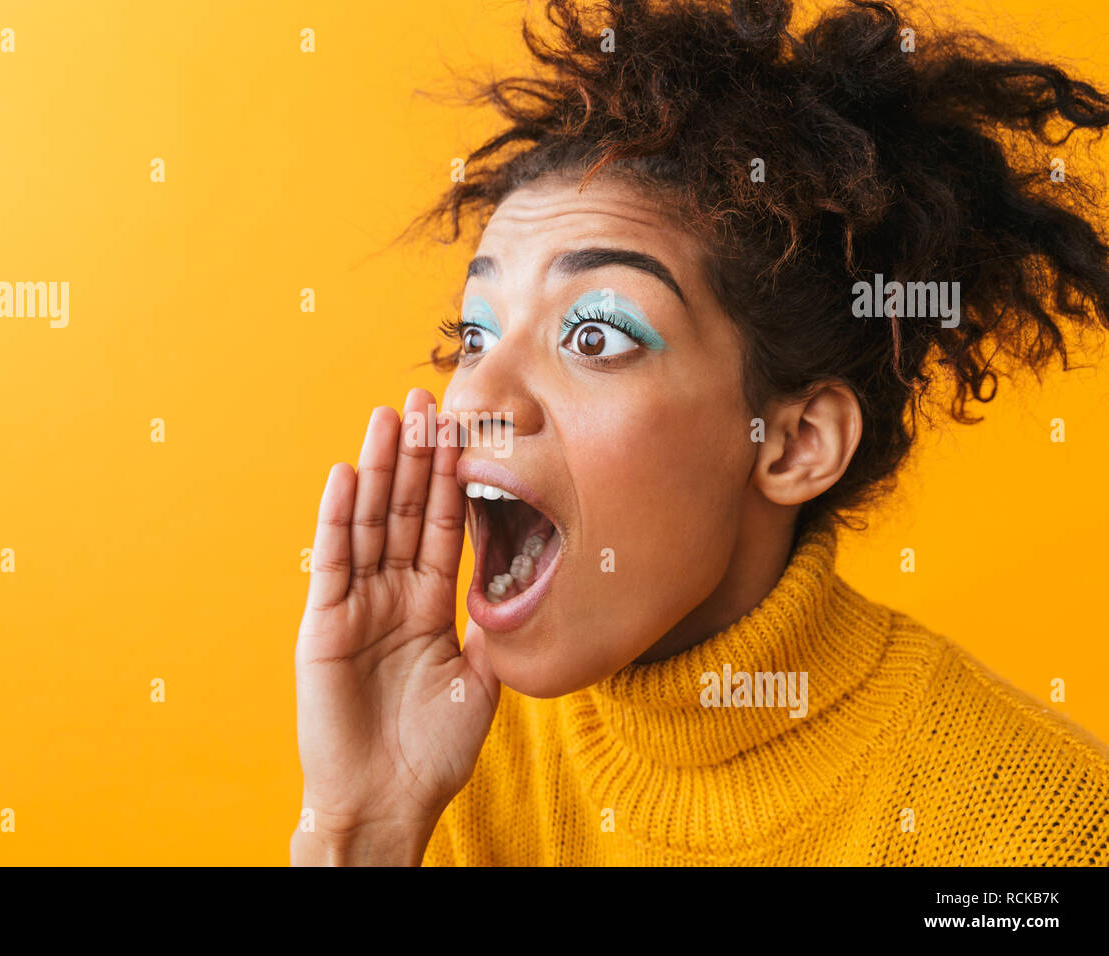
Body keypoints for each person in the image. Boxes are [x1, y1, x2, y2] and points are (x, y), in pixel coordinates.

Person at [291, 0, 1109, 865]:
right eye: (475, 334)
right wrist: (361, 830)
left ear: (794, 444)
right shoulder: (454, 745)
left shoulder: (1034, 838)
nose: (471, 401)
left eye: (594, 336)